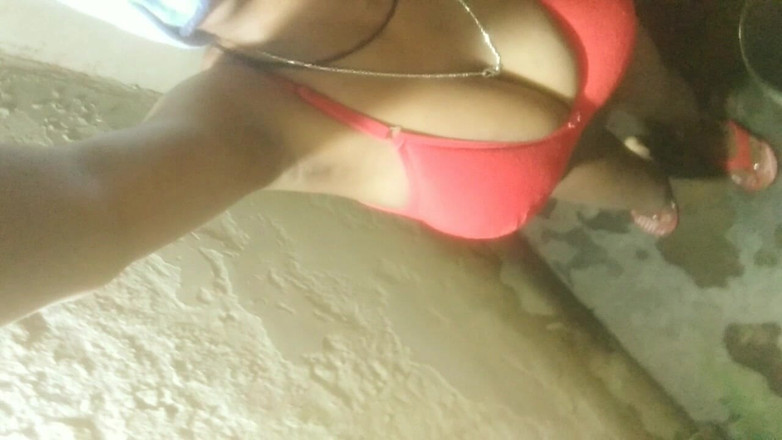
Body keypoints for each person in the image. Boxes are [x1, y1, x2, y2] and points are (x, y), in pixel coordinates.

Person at [0, 0, 776, 325]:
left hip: (610, 45)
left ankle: (695, 131)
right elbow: (90, 205)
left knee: (659, 92)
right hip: (542, 161)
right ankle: (656, 185)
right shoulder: (246, 119)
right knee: (607, 175)